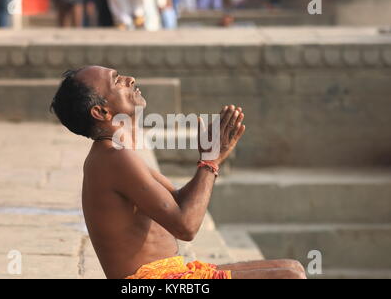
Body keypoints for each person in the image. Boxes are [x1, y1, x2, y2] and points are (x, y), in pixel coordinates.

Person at [50, 65, 307, 279]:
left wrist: (208, 158)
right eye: (117, 81)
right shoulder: (113, 158)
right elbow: (186, 227)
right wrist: (210, 163)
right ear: (102, 111)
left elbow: (180, 204)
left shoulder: (117, 154)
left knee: (293, 268)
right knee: (289, 277)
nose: (130, 79)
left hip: (176, 276)